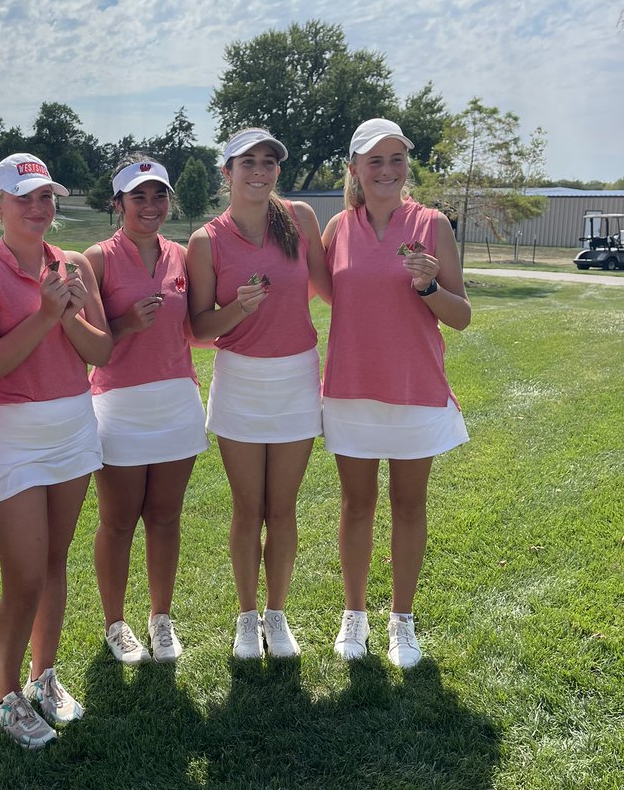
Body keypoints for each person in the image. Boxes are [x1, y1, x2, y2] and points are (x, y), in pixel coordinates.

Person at [0, 153, 112, 746]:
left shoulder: (72, 264)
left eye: (47, 197)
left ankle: (44, 676)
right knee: (22, 576)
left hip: (73, 423)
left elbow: (103, 351)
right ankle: (4, 695)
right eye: (25, 199)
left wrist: (65, 316)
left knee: (53, 564)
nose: (40, 208)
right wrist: (47, 315)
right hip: (10, 432)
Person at [321, 118, 471, 668]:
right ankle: (354, 615)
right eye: (375, 161)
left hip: (414, 387)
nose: (387, 171)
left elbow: (461, 316)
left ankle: (402, 621)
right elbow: (320, 289)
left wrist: (428, 286)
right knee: (356, 505)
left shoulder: (432, 225)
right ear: (356, 169)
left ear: (407, 166)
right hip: (351, 388)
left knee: (409, 505)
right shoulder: (337, 227)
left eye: (396, 160)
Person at [187, 128, 330, 659]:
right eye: (247, 162)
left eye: (269, 162)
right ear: (226, 172)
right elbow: (200, 327)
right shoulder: (205, 240)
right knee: (248, 509)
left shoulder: (300, 218)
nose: (259, 171)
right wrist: (237, 311)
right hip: (240, 380)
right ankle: (247, 618)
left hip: (295, 377)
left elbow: (330, 286)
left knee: (284, 508)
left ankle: (277, 615)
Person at [84, 157, 207, 664]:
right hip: (118, 402)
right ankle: (116, 623)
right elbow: (87, 342)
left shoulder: (182, 255)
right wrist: (126, 322)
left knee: (165, 517)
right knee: (117, 521)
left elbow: (198, 326)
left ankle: (161, 618)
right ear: (118, 204)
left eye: (159, 196)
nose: (151, 206)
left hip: (177, 400)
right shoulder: (97, 259)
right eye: (139, 197)